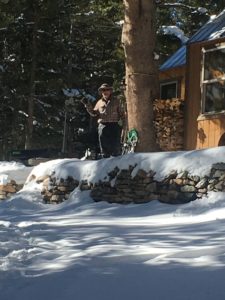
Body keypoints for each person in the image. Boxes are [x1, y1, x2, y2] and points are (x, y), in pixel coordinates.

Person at [82, 83, 124, 158]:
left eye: (107, 90)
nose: (105, 92)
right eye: (103, 90)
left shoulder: (116, 101)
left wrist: (123, 122)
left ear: (110, 91)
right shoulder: (99, 102)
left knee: (116, 146)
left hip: (114, 125)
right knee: (104, 148)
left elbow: (121, 113)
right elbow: (94, 113)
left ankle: (117, 163)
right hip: (103, 126)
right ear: (101, 92)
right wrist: (87, 105)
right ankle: (105, 163)